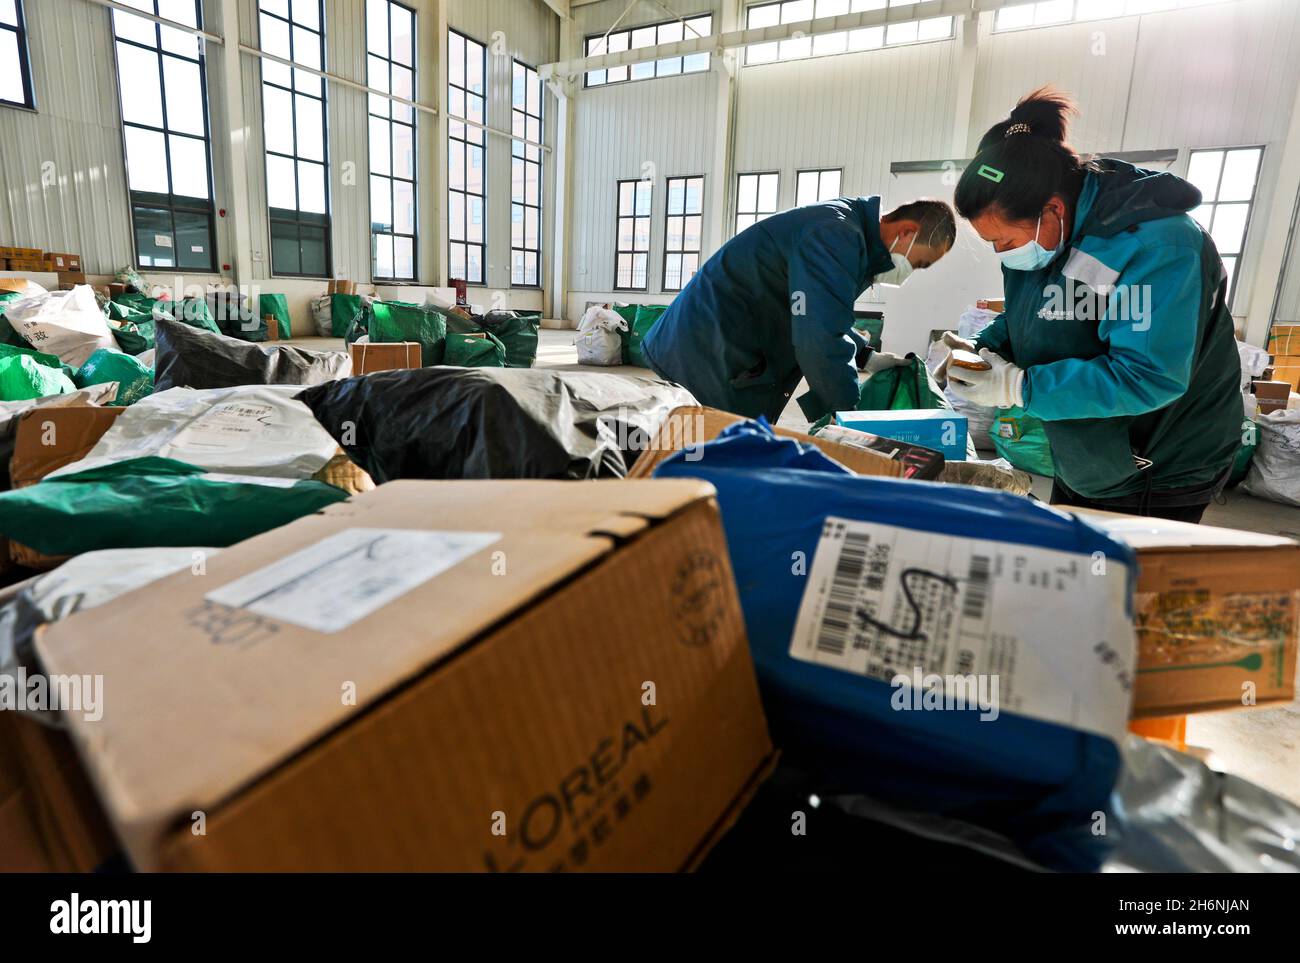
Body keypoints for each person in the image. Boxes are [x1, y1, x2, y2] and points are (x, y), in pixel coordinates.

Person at [946, 87, 1241, 523]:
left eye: (1004, 241)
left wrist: (1019, 387)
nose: (1000, 254)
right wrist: (981, 349)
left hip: (1157, 469)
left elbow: (1147, 376)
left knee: (1129, 584)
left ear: (1052, 209)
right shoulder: (1050, 239)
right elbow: (1035, 314)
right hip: (1089, 454)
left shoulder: (1157, 245)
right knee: (1076, 572)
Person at [641, 196, 956, 423]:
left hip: (720, 347)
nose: (909, 271)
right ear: (906, 232)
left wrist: (865, 355)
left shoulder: (848, 235)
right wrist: (847, 415)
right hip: (708, 354)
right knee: (709, 457)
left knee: (723, 453)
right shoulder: (835, 237)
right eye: (918, 262)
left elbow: (818, 311)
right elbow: (818, 337)